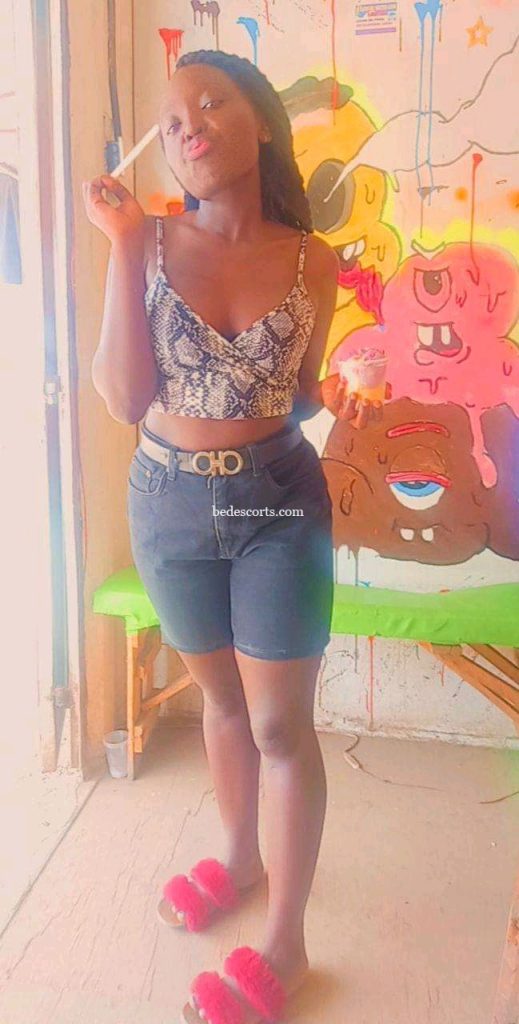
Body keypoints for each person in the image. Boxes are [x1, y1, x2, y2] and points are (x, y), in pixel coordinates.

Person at [83, 48, 350, 1024]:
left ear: (261, 121)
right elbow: (124, 397)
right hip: (167, 499)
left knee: (280, 725)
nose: (188, 124)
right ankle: (239, 859)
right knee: (223, 702)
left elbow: (305, 392)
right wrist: (121, 243)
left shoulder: (315, 259)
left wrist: (346, 407)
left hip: (277, 500)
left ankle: (286, 939)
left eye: (210, 102)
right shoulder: (146, 240)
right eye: (173, 117)